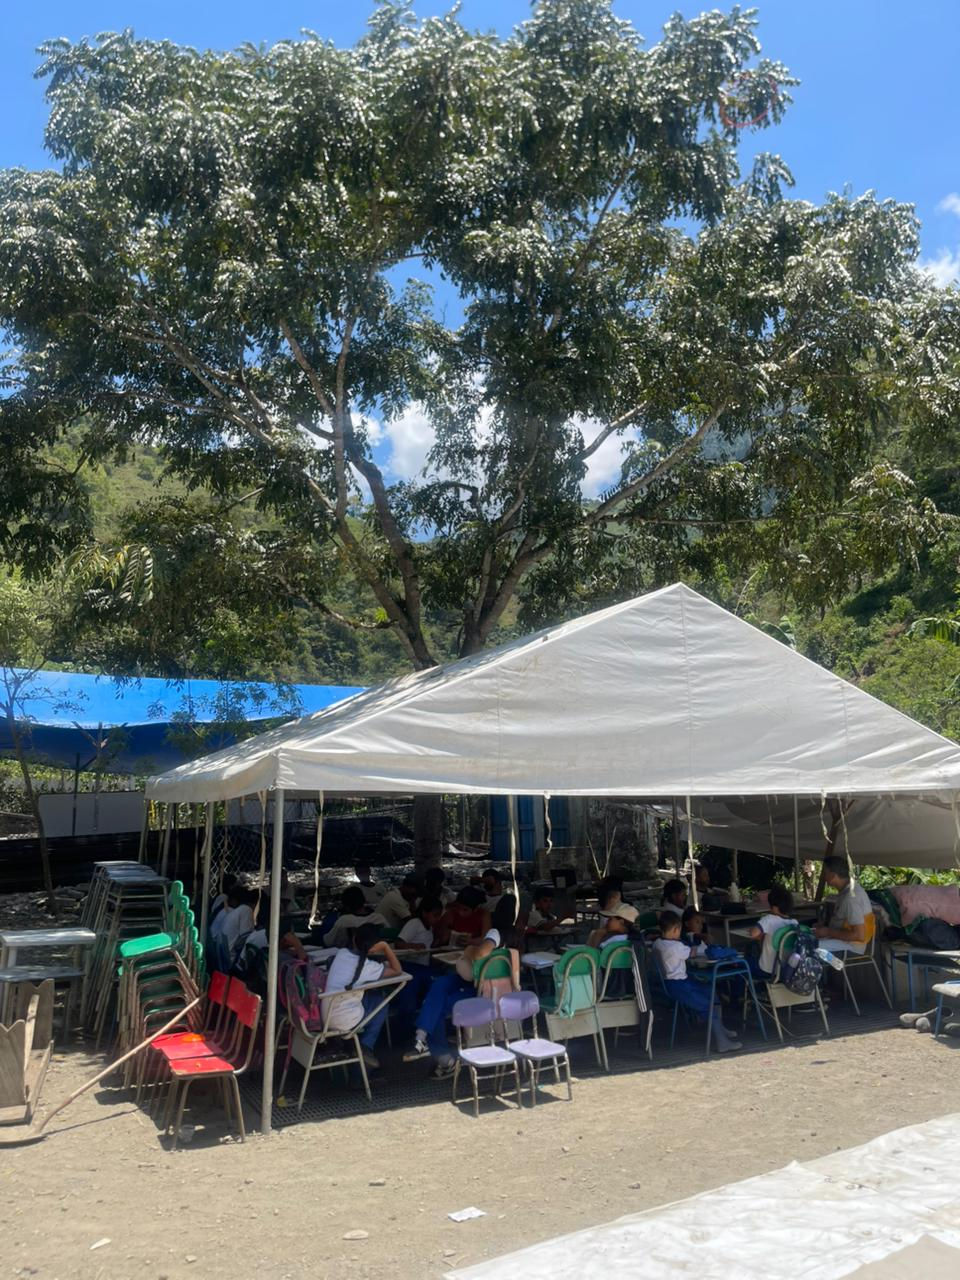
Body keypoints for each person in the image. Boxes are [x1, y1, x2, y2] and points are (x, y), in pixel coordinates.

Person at [404, 899, 517, 1076]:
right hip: (486, 983)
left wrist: (470, 950)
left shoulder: (496, 933)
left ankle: (441, 1055)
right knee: (440, 984)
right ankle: (422, 1035)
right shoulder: (517, 936)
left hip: (484, 989)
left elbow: (481, 954)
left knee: (437, 1003)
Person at [652, 912, 742, 1052]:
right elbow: (692, 953)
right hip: (679, 986)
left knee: (709, 989)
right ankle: (722, 1043)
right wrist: (694, 946)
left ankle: (720, 1028)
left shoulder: (657, 943)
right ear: (676, 929)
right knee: (707, 1005)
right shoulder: (677, 947)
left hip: (672, 984)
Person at [324, 923, 404, 1069]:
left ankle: (355, 1046)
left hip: (327, 1013)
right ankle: (365, 1047)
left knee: (373, 998)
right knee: (381, 1004)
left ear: (354, 938)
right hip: (343, 1019)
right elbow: (397, 970)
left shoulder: (341, 954)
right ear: (374, 947)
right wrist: (386, 947)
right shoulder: (367, 967)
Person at [815, 856, 873, 955]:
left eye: (825, 873)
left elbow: (859, 935)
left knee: (809, 947)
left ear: (833, 876)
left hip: (851, 948)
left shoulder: (851, 898)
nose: (823, 877)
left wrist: (828, 932)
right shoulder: (847, 891)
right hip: (842, 942)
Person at [748, 884, 798, 977]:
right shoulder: (794, 923)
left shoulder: (769, 919)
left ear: (774, 908)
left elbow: (753, 934)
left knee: (743, 964)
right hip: (786, 970)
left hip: (767, 970)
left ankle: (740, 991)